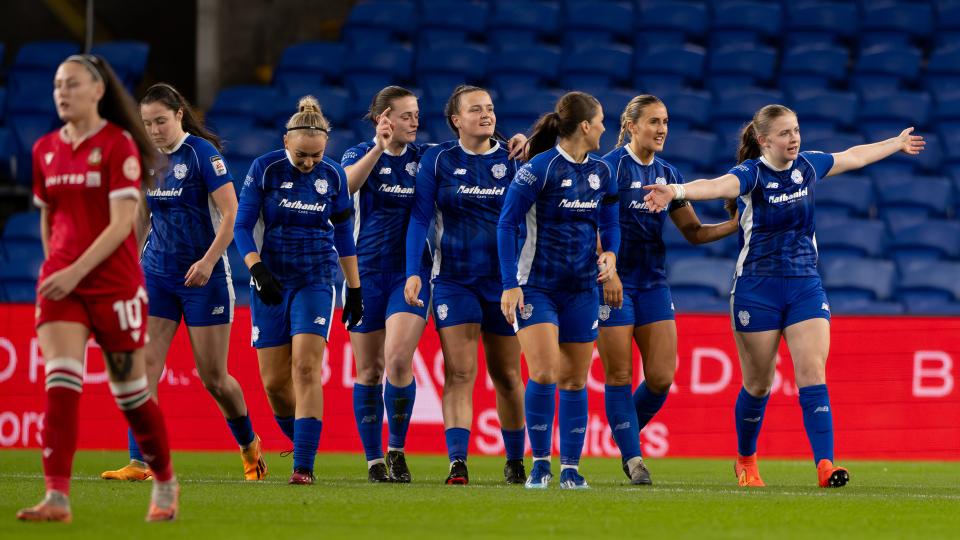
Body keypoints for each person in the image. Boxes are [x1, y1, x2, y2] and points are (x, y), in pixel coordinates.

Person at [642, 104, 925, 488]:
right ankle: (745, 460)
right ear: (763, 140)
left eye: (796, 131)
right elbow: (714, 186)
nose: (794, 139)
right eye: (785, 133)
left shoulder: (808, 166)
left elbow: (853, 156)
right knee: (758, 384)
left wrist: (895, 143)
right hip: (757, 289)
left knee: (812, 373)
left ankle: (825, 466)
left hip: (805, 284)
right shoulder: (751, 175)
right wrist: (675, 190)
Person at [18, 54, 179, 523]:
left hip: (114, 286)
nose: (62, 92)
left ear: (98, 91)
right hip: (63, 286)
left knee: (130, 394)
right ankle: (57, 498)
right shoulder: (45, 149)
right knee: (61, 385)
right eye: (56, 85)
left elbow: (121, 225)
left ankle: (165, 480)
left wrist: (75, 272)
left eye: (71, 84)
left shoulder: (118, 146)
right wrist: (56, 268)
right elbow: (50, 217)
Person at [99, 82, 266, 483]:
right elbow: (142, 217)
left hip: (203, 280)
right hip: (157, 275)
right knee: (145, 369)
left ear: (178, 115)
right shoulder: (147, 157)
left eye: (160, 121)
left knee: (213, 378)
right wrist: (128, 267)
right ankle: (141, 462)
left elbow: (232, 216)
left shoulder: (202, 155)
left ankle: (249, 445)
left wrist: (209, 262)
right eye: (146, 123)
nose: (154, 129)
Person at [598, 95, 738, 485]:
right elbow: (588, 226)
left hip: (654, 283)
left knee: (660, 378)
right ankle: (633, 458)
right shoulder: (608, 169)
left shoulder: (667, 174)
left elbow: (694, 232)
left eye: (666, 122)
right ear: (631, 126)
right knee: (620, 374)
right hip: (613, 283)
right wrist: (608, 272)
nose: (662, 129)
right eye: (654, 121)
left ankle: (623, 432)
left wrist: (735, 225)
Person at [234, 96, 363, 485]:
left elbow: (343, 235)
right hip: (270, 279)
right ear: (286, 142)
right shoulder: (265, 169)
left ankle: (303, 466)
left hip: (316, 279)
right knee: (274, 383)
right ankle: (300, 440)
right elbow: (242, 226)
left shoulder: (335, 176)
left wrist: (354, 289)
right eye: (302, 155)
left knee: (306, 368)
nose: (309, 163)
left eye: (317, 155)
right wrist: (256, 268)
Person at [403, 85, 528, 485]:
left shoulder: (514, 158)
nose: (486, 115)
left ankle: (514, 460)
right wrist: (412, 272)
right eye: (476, 109)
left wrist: (532, 143)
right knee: (459, 372)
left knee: (507, 375)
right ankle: (458, 461)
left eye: (490, 108)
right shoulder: (438, 160)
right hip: (454, 281)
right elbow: (420, 219)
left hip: (504, 283)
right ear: (456, 119)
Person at [498, 91, 620, 490]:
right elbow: (506, 225)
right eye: (601, 120)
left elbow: (610, 221)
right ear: (585, 126)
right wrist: (509, 285)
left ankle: (570, 468)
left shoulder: (603, 171)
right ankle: (540, 465)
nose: (605, 127)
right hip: (537, 286)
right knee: (546, 372)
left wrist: (611, 256)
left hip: (583, 288)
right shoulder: (539, 169)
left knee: (574, 379)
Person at [340, 86, 431, 483]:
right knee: (369, 370)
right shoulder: (357, 153)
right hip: (364, 275)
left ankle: (396, 449)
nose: (414, 121)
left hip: (409, 274)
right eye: (406, 115)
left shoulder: (425, 159)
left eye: (416, 114)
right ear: (384, 119)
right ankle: (373, 459)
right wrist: (377, 148)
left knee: (397, 359)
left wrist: (512, 141)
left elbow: (471, 152)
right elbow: (342, 190)